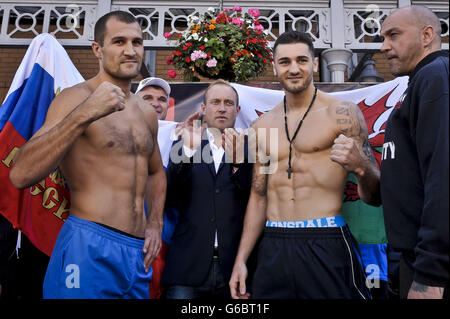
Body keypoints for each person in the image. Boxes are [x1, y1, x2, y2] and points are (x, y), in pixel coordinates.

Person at [9, 11, 166, 299]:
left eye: (137, 42)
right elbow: (20, 173)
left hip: (136, 253)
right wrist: (84, 114)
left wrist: (155, 223)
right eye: (119, 41)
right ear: (98, 49)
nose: (130, 51)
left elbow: (156, 171)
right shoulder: (74, 97)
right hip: (89, 244)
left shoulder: (146, 111)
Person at [229, 31, 381, 299]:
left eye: (301, 60)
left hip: (326, 238)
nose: (294, 68)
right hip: (274, 243)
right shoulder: (262, 125)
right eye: (285, 62)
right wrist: (241, 259)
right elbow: (259, 195)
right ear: (275, 67)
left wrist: (361, 168)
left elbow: (375, 197)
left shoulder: (342, 114)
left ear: (314, 63)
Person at [379, 5, 449, 299]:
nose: (384, 47)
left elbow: (443, 175)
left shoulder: (436, 77)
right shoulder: (420, 81)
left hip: (434, 271)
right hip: (414, 259)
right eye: (383, 38)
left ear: (427, 35)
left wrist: (431, 274)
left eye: (393, 35)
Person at [162, 79, 254, 299]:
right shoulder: (183, 143)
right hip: (187, 267)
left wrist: (239, 164)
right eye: (215, 102)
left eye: (228, 103)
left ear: (237, 110)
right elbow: (169, 194)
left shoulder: (253, 146)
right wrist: (187, 150)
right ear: (203, 108)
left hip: (236, 270)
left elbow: (259, 200)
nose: (222, 108)